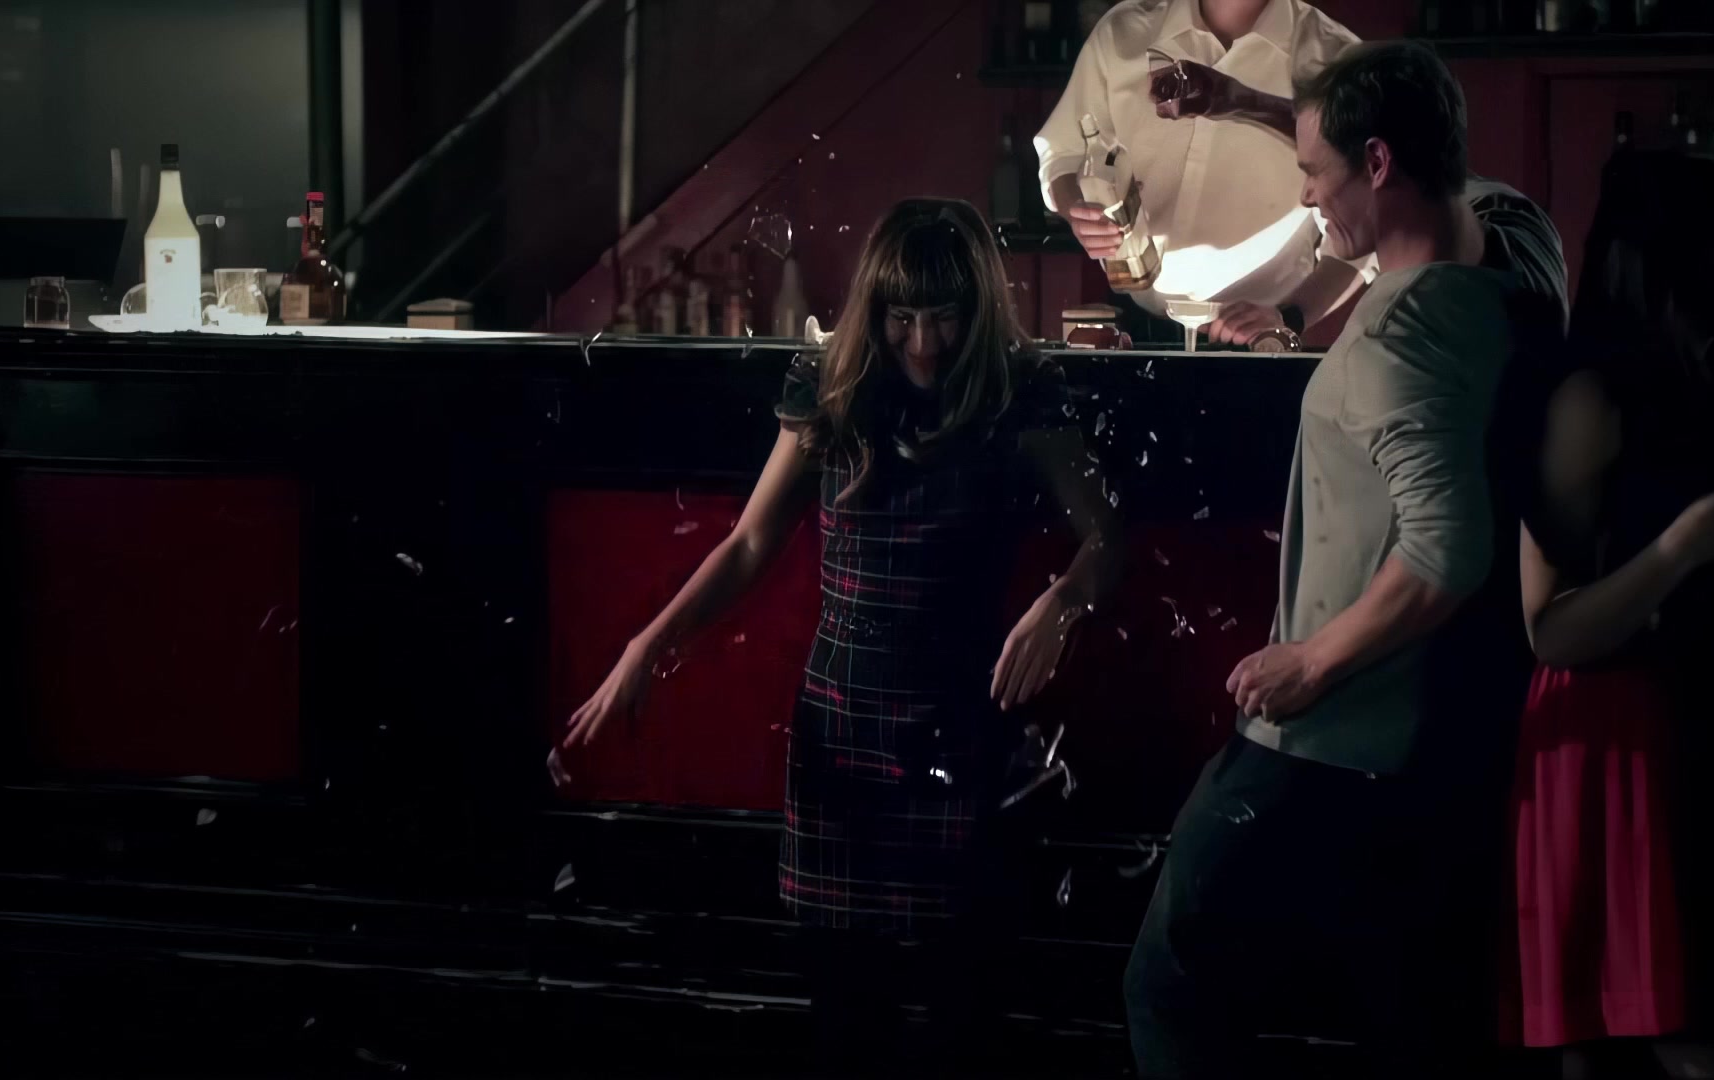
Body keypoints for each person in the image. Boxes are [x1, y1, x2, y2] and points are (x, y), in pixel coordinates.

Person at [561, 197, 1120, 1068]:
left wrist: (1066, 600)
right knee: (843, 1014)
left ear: (978, 310)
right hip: (843, 721)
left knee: (960, 1014)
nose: (923, 344)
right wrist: (646, 646)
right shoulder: (830, 385)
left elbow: (1106, 537)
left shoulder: (1021, 390)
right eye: (903, 318)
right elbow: (750, 543)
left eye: (944, 318)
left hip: (959, 726)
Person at [1122, 41, 1566, 1078]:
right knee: (1404, 1020)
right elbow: (1391, 147)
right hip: (1439, 738)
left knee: (1169, 982)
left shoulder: (1402, 335)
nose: (1305, 195)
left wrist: (1309, 663)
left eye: (1314, 173)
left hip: (1330, 732)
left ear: (1376, 164)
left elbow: (1448, 546)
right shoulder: (1520, 243)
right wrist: (1247, 102)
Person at [1505, 152, 1714, 1080]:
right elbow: (1550, 628)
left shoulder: (1702, 378)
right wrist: (1682, 548)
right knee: (1640, 1037)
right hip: (1606, 739)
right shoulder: (1590, 396)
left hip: (1682, 729)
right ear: (1672, 259)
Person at [1036, 0, 1366, 345]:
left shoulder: (1335, 58)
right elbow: (1064, 152)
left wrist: (1291, 317)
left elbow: (1366, 225)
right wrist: (1076, 209)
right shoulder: (1124, 31)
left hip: (1261, 339)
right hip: (1135, 328)